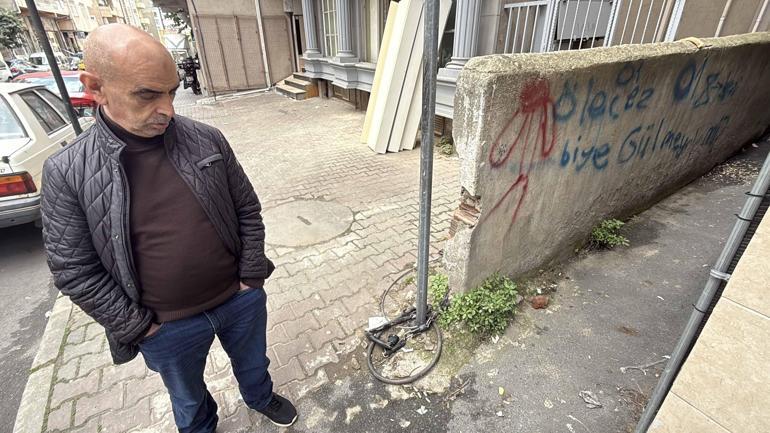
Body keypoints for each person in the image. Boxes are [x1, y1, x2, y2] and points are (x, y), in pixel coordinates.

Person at [40, 24, 297, 432]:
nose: (168, 110)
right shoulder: (67, 170)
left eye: (172, 92)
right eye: (147, 94)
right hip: (165, 327)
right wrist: (141, 327)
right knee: (187, 397)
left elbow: (247, 208)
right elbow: (74, 271)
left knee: (254, 363)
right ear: (95, 87)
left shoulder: (207, 139)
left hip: (239, 300)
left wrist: (251, 277)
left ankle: (260, 397)